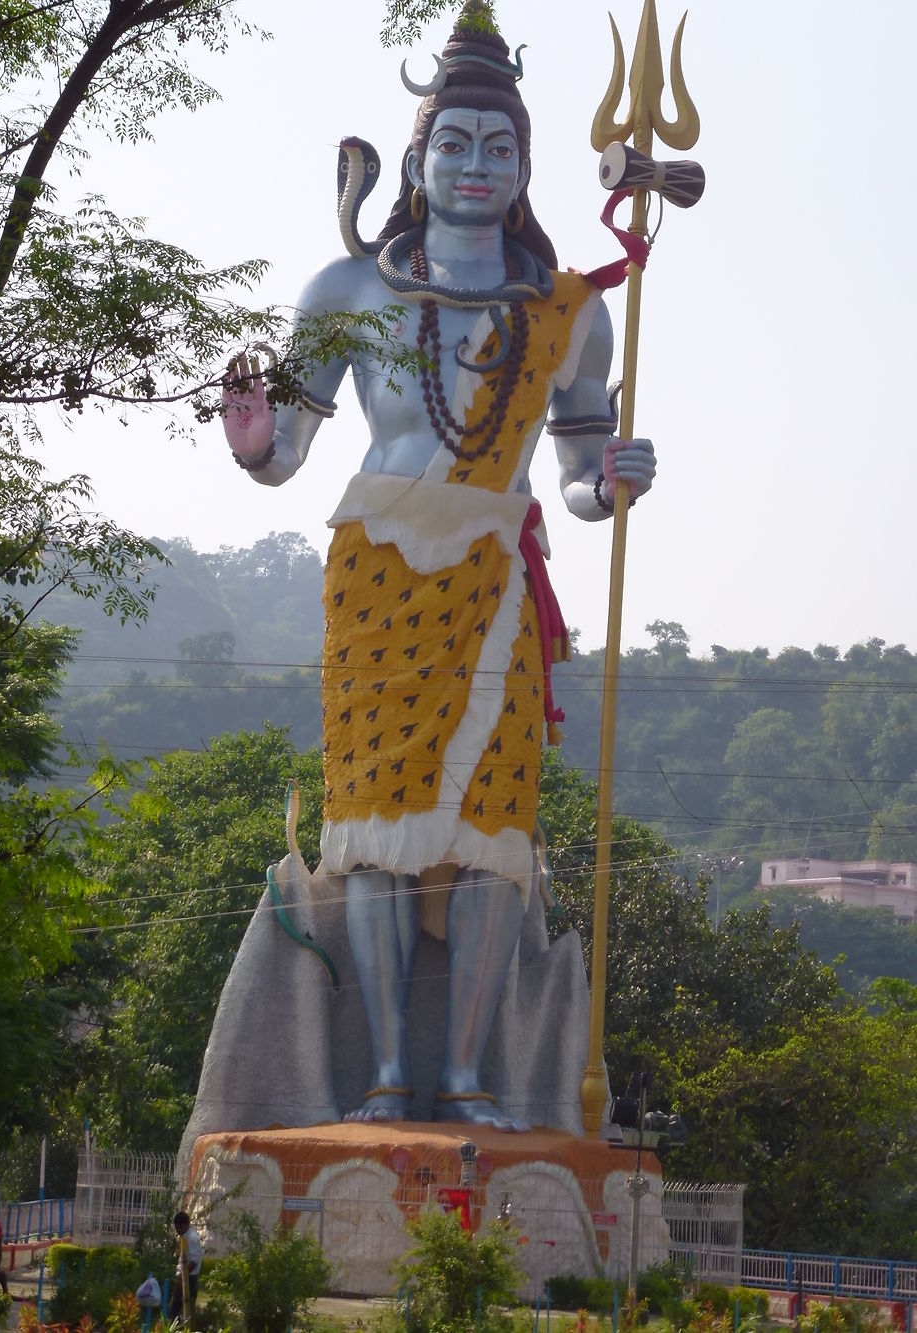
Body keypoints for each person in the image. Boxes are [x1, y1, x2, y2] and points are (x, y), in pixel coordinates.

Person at [222, 3, 656, 1132]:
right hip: (375, 573)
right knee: (370, 828)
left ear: (524, 169)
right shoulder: (347, 289)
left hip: (495, 578)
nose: (476, 165)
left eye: (499, 147)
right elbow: (288, 460)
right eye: (453, 144)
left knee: (490, 834)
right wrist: (257, 441)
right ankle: (381, 1080)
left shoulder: (569, 313)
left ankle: (462, 1078)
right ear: (415, 160)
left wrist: (609, 481)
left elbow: (572, 476)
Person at [167, 1211, 203, 1322]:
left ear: (185, 1225)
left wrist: (183, 1277)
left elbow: (194, 1261)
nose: (177, 1230)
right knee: (176, 1308)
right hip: (185, 1277)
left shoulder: (191, 1238)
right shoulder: (185, 1236)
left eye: (178, 1227)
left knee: (181, 1309)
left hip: (189, 1279)